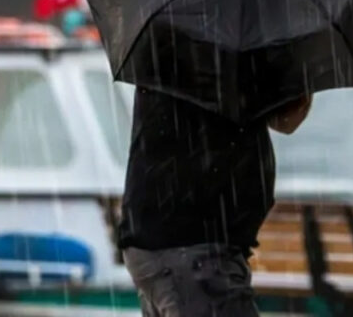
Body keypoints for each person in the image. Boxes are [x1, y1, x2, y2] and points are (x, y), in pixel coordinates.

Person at [119, 89, 313, 317]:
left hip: (167, 237)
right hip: (193, 247)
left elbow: (283, 117)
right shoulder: (227, 58)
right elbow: (286, 116)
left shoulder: (172, 58)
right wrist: (301, 74)